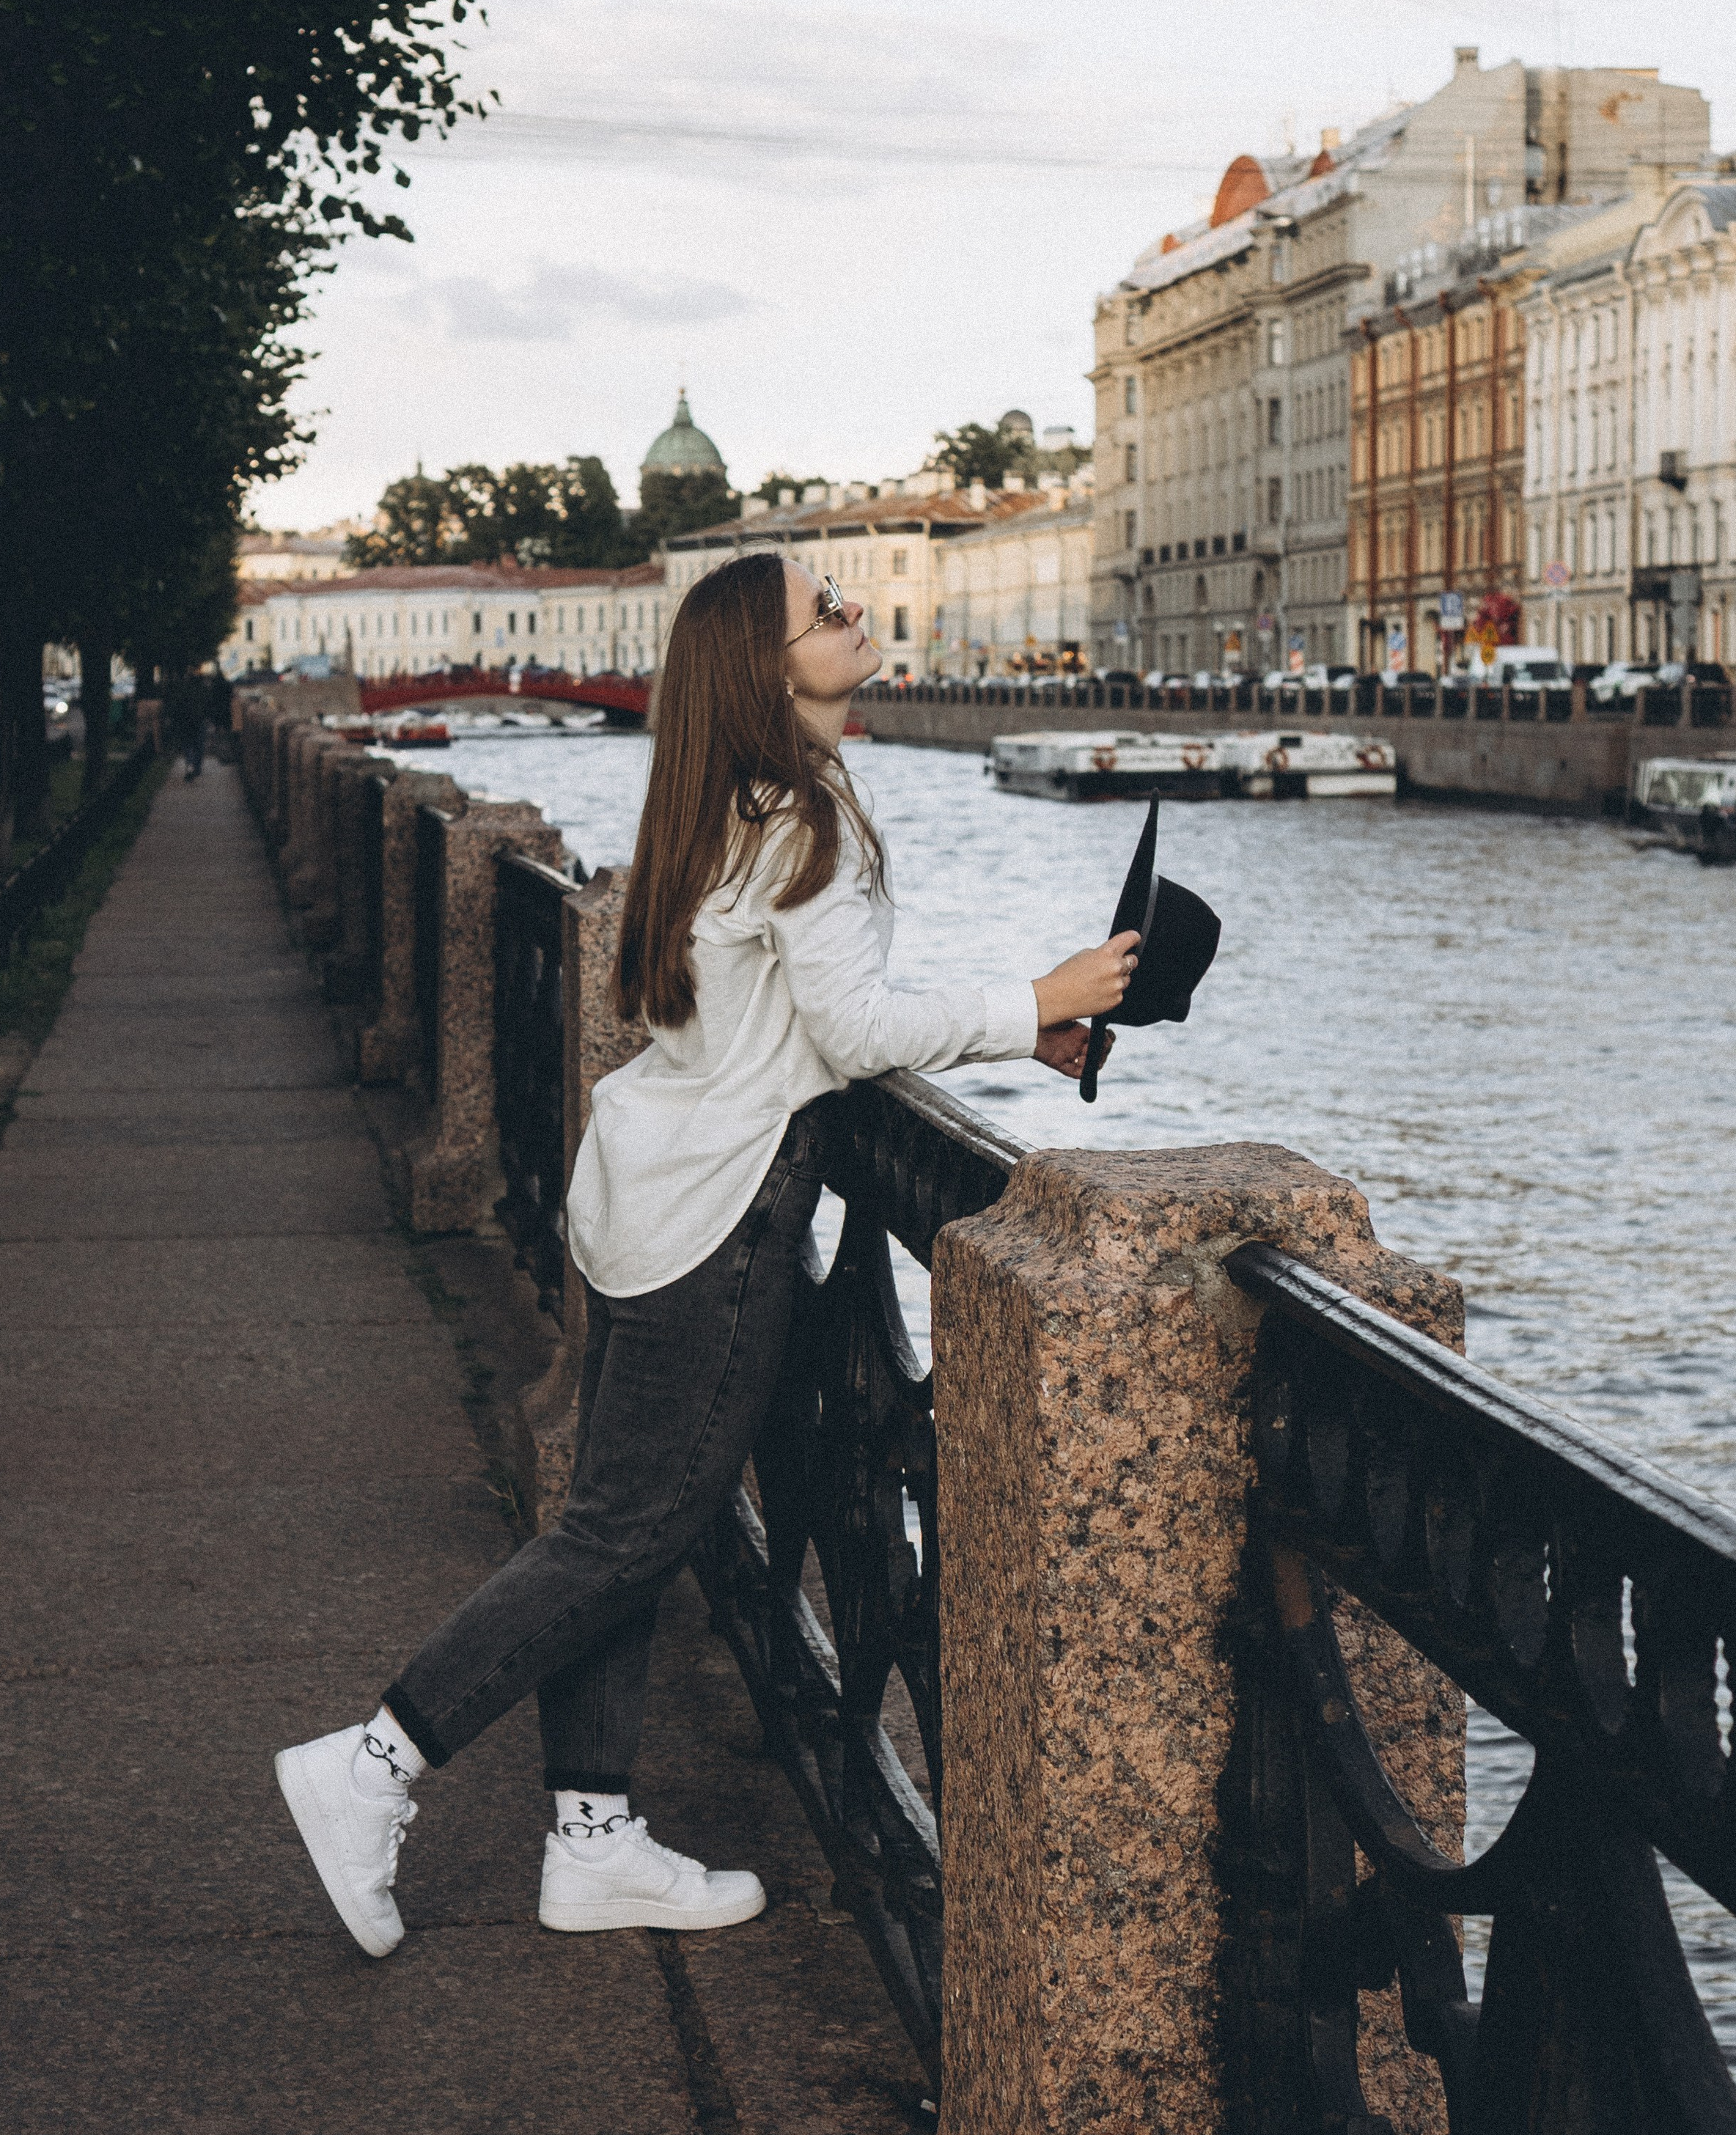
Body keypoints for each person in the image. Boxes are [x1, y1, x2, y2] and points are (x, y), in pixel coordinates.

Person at [274, 553, 1138, 1957]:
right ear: (766, 666)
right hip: (719, 1215)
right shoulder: (803, 818)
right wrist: (1037, 993)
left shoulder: (716, 804)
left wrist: (1012, 1033)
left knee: (617, 1530)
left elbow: (784, 1012)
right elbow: (849, 1035)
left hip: (643, 1188)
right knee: (625, 1534)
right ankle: (372, 1765)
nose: (859, 621)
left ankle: (595, 1837)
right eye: (829, 614)